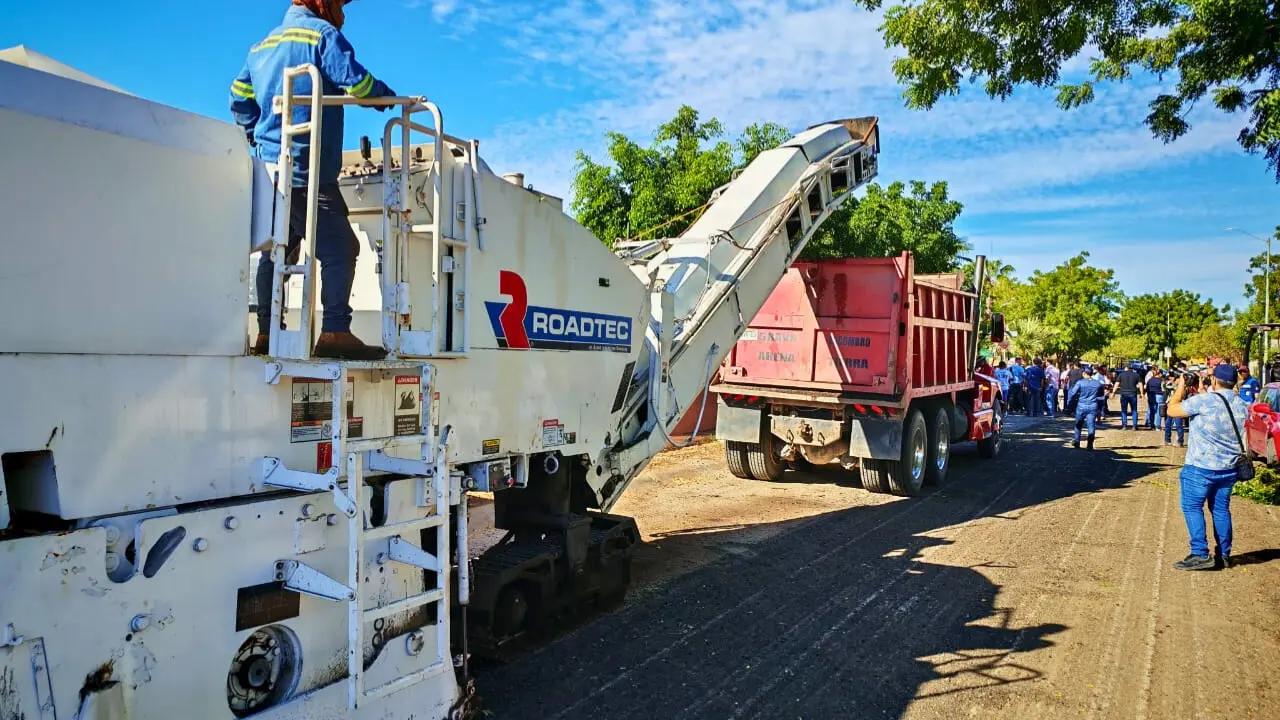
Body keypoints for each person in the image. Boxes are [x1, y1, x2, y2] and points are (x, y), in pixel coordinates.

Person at [232, 0, 397, 360]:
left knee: (278, 250)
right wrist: (385, 96)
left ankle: (267, 333)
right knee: (341, 248)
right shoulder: (322, 35)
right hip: (309, 173)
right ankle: (335, 331)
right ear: (321, 2)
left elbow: (240, 97)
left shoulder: (261, 47)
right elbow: (358, 82)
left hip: (272, 175)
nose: (343, 13)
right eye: (339, 3)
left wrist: (258, 138)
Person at [1165, 363, 1251, 570]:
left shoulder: (1202, 402)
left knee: (1192, 507)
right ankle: (1224, 554)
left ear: (1214, 380)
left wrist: (1181, 387)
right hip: (1229, 468)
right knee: (1221, 509)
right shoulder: (1242, 405)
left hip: (1200, 467)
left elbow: (1171, 410)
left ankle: (1200, 553)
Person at [1067, 367, 1103, 450]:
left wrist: (1071, 403)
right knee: (1091, 425)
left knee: (1078, 424)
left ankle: (1077, 442)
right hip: (1092, 405)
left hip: (1081, 405)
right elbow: (1101, 394)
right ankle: (1090, 444)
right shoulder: (1097, 383)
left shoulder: (1080, 382)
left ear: (1084, 373)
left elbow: (1073, 393)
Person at [1116, 363, 1142, 429]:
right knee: (1134, 410)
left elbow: (1117, 383)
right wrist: (1142, 393)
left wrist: (1113, 392)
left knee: (1124, 410)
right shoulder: (1136, 375)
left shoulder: (1121, 375)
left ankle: (1124, 425)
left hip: (1124, 394)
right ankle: (1134, 425)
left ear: (1126, 368)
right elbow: (1140, 384)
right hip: (1133, 394)